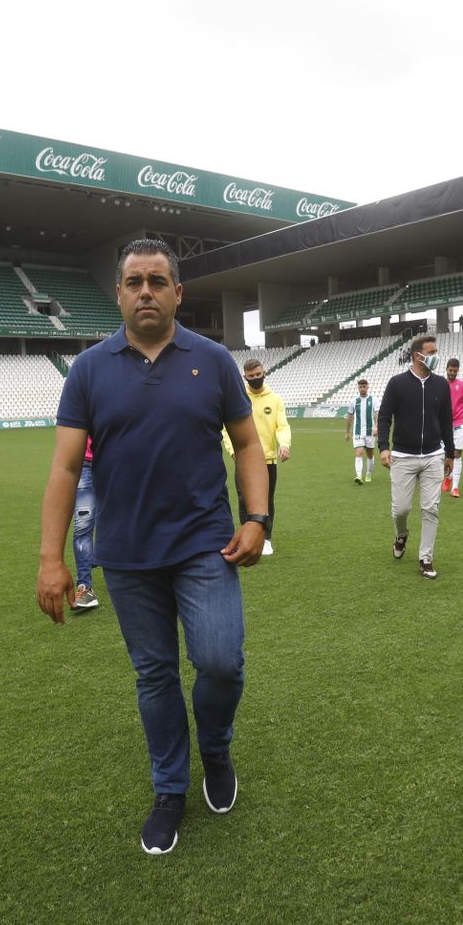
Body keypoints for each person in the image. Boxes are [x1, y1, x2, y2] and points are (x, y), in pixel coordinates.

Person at [36, 238, 268, 856]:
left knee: (219, 659)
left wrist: (258, 518)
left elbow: (248, 445)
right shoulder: (88, 370)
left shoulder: (215, 360)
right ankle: (170, 788)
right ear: (118, 293)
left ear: (177, 293)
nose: (146, 291)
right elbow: (63, 470)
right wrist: (51, 559)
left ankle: (214, 749)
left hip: (204, 546)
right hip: (129, 554)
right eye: (134, 281)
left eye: (157, 281)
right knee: (156, 674)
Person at [377, 333, 454, 580]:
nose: (435, 357)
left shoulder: (441, 384)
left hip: (434, 455)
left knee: (431, 508)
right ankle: (401, 535)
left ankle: (426, 558)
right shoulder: (397, 383)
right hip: (403, 456)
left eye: (435, 352)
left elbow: (446, 421)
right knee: (400, 509)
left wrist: (450, 453)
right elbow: (385, 416)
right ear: (417, 355)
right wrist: (383, 447)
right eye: (431, 353)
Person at [230, 358, 290, 555]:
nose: (255, 378)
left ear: (264, 373)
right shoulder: (239, 398)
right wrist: (232, 451)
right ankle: (246, 537)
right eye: (251, 376)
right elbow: (226, 428)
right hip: (244, 459)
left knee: (266, 500)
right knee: (243, 499)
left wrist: (284, 444)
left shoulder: (275, 399)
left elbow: (282, 425)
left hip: (268, 460)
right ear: (244, 378)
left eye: (258, 374)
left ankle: (265, 538)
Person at [71, 436, 99, 611]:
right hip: (84, 464)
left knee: (126, 518)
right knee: (82, 526)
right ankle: (85, 587)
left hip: (117, 463)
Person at [442, 358, 463, 497]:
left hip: (459, 424)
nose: (452, 373)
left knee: (457, 455)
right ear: (446, 369)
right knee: (443, 456)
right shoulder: (440, 385)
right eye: (450, 370)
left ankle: (455, 488)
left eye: (455, 371)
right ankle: (448, 478)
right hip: (443, 425)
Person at [346, 378, 377, 484]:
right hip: (358, 431)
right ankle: (359, 476)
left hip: (370, 431)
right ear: (358, 388)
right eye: (360, 387)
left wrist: (376, 427)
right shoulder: (353, 401)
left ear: (367, 387)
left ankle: (368, 474)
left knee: (370, 454)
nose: (362, 389)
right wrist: (347, 432)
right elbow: (349, 417)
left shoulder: (373, 400)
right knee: (359, 452)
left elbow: (376, 414)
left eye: (364, 386)